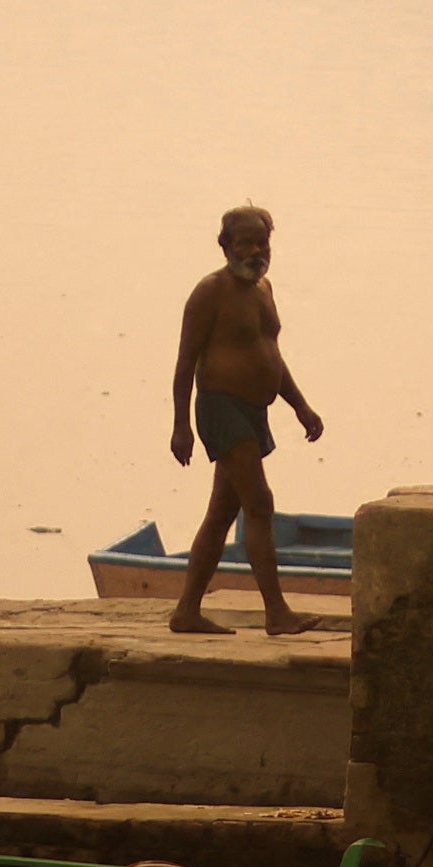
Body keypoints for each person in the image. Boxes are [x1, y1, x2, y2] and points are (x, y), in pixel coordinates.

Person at [163, 202, 327, 634]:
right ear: (224, 246)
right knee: (260, 503)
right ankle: (277, 613)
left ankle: (186, 611)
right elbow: (184, 363)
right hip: (221, 407)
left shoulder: (263, 289)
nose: (255, 251)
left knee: (221, 513)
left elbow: (270, 355)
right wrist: (181, 426)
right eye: (245, 243)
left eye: (262, 242)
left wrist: (300, 406)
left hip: (255, 412)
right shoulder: (209, 292)